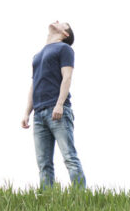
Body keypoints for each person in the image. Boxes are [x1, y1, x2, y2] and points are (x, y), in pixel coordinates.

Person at [21, 20, 86, 189]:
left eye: (63, 23)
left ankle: (81, 197)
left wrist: (59, 104)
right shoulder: (37, 56)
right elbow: (34, 85)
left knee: (69, 157)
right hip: (39, 114)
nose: (57, 21)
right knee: (44, 164)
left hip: (57, 111)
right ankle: (47, 200)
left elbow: (67, 77)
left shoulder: (64, 49)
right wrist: (27, 113)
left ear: (65, 34)